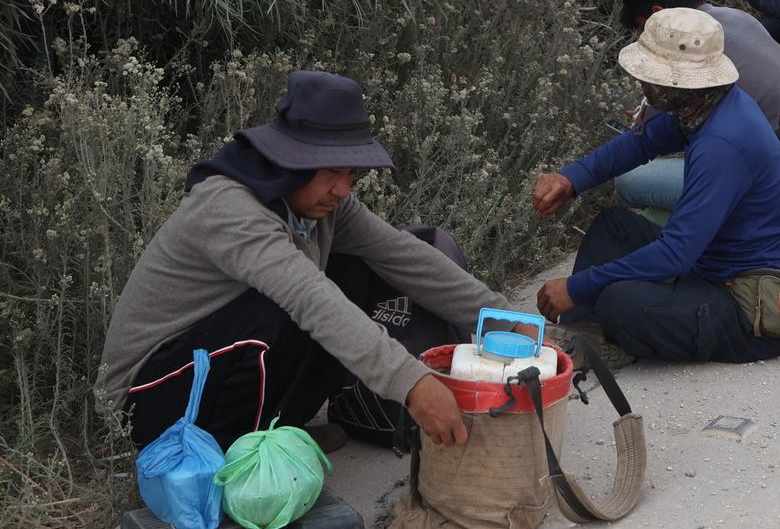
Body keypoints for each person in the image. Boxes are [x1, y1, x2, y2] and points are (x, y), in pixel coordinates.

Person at [98, 70, 515, 452]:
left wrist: (507, 322)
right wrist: (413, 385)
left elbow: (405, 258)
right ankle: (235, 452)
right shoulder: (228, 207)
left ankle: (278, 427)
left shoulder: (323, 205)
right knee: (289, 309)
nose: (341, 189)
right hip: (146, 397)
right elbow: (309, 297)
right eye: (331, 171)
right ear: (291, 159)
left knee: (357, 272)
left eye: (351, 173)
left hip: (211, 362)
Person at [530, 8, 780, 366]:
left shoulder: (723, 142)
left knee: (619, 301)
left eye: (649, 77)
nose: (642, 84)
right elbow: (640, 143)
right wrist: (572, 178)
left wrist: (577, 287)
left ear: (675, 83)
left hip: (753, 307)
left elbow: (676, 253)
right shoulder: (706, 105)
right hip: (713, 269)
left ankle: (604, 333)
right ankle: (584, 336)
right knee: (613, 227)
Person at [610, 0, 780, 211]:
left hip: (776, 175)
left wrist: (644, 120)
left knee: (630, 180)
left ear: (658, 14)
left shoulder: (689, 46)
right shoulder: (736, 17)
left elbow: (655, 134)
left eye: (646, 30)